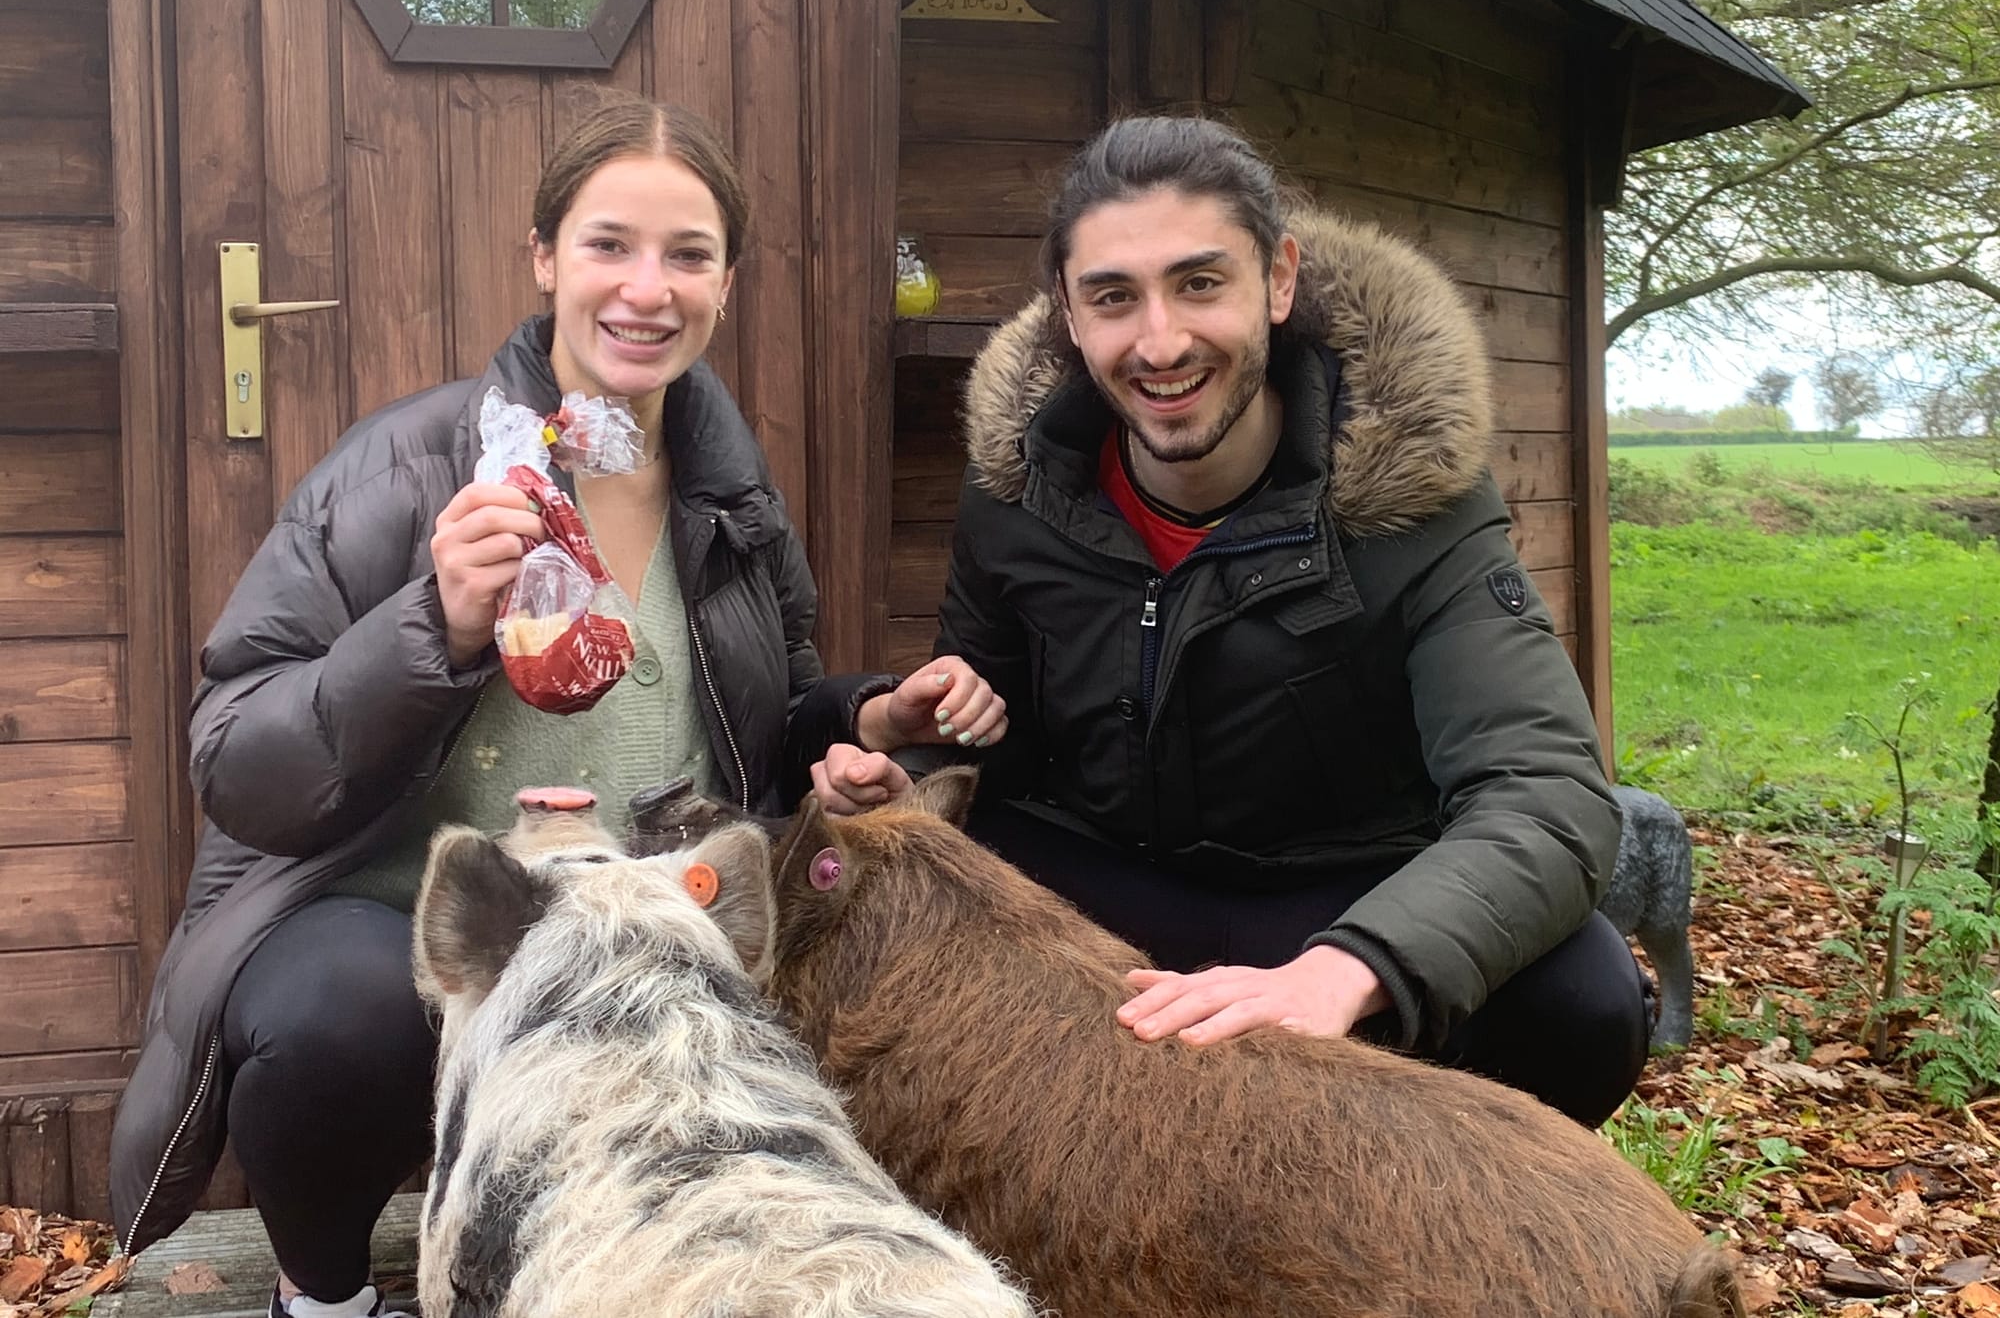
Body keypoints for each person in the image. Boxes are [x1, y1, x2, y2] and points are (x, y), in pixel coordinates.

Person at [109, 97, 1007, 1318]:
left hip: (646, 915)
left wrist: (869, 721)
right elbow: (237, 757)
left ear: (726, 282)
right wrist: (435, 621)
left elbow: (779, 709)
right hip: (401, 916)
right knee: (329, 1021)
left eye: (687, 255)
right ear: (543, 258)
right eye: (608, 245)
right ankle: (324, 1298)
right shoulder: (402, 471)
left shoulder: (730, 493)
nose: (647, 289)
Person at [813, 116, 1645, 1127]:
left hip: (1326, 897)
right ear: (1069, 319)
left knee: (1583, 1000)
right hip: (1099, 883)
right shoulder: (1016, 490)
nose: (1159, 343)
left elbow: (1548, 798)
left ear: (1278, 281)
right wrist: (907, 763)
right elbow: (997, 748)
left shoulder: (1411, 501)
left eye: (1199, 283)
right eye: (1112, 298)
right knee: (812, 824)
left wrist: (1341, 971)